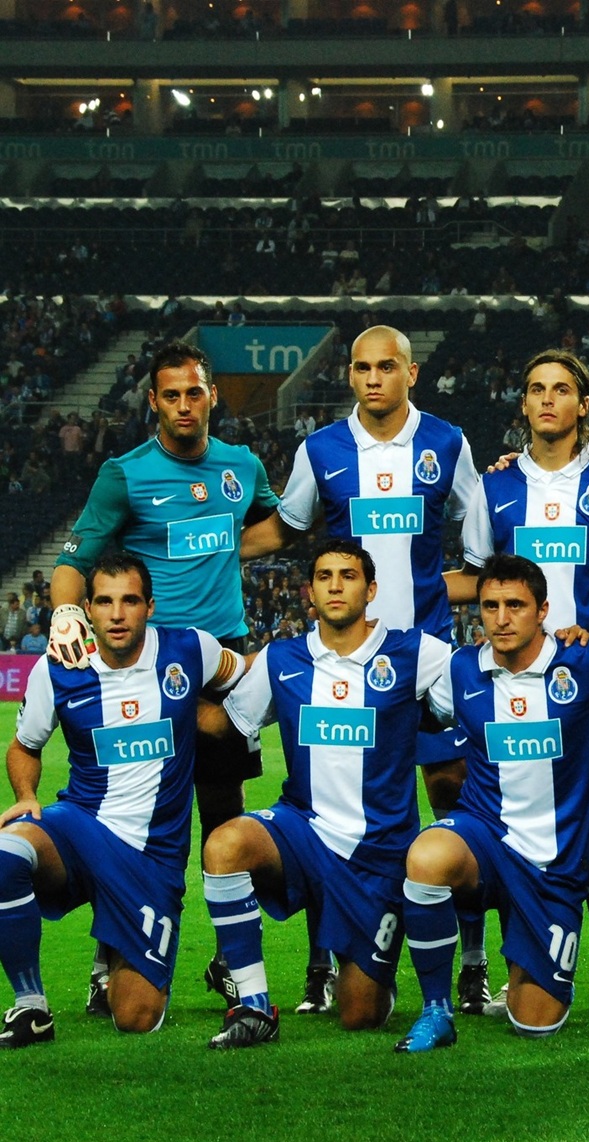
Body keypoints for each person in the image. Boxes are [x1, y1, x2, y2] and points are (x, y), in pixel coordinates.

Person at [240, 323, 481, 1008]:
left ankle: (471, 961)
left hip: (423, 655)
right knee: (327, 804)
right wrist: (203, 551)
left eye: (386, 366)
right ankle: (322, 963)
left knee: (452, 791)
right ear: (349, 375)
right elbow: (287, 527)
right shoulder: (320, 450)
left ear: (410, 372)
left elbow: (482, 534)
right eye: (362, 368)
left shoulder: (447, 443)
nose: (374, 378)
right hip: (343, 661)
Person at [48, 340, 278, 1015]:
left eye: (194, 392)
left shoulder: (242, 466)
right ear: (153, 400)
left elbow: (277, 524)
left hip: (222, 659)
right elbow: (75, 558)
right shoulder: (125, 474)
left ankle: (231, 961)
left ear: (212, 396)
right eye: (171, 394)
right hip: (148, 667)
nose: (183, 404)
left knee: (225, 811)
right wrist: (66, 610)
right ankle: (109, 960)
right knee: (131, 818)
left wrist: (232, 545)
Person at [393, 553, 589, 1053]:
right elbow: (425, 712)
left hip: (553, 865)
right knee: (428, 856)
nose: (500, 618)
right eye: (490, 606)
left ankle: (531, 964)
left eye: (515, 605)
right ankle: (436, 1010)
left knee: (534, 1024)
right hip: (486, 837)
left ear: (543, 611)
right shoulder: (461, 669)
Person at [456, 349, 589, 1020]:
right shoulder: (494, 488)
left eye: (562, 389)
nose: (547, 399)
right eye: (536, 388)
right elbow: (477, 580)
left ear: (583, 404)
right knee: (507, 820)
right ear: (523, 403)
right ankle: (511, 965)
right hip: (513, 683)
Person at [197, 541, 451, 1048]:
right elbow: (227, 723)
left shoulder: (418, 653)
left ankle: (371, 973)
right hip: (303, 832)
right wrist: (165, 688)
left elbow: (485, 682)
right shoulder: (282, 658)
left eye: (348, 576)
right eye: (324, 576)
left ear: (371, 590)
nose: (335, 585)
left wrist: (568, 648)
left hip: (379, 852)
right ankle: (253, 1007)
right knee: (224, 846)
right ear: (309, 592)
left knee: (361, 1014)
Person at [0, 553, 243, 1048]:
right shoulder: (59, 668)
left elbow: (244, 677)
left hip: (152, 858)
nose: (116, 614)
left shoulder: (190, 649)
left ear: (149, 606)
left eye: (129, 601)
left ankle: (109, 954)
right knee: (7, 852)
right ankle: (31, 1006)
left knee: (136, 1017)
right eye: (105, 602)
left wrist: (210, 715)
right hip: (82, 827)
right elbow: (24, 746)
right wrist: (25, 796)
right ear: (87, 608)